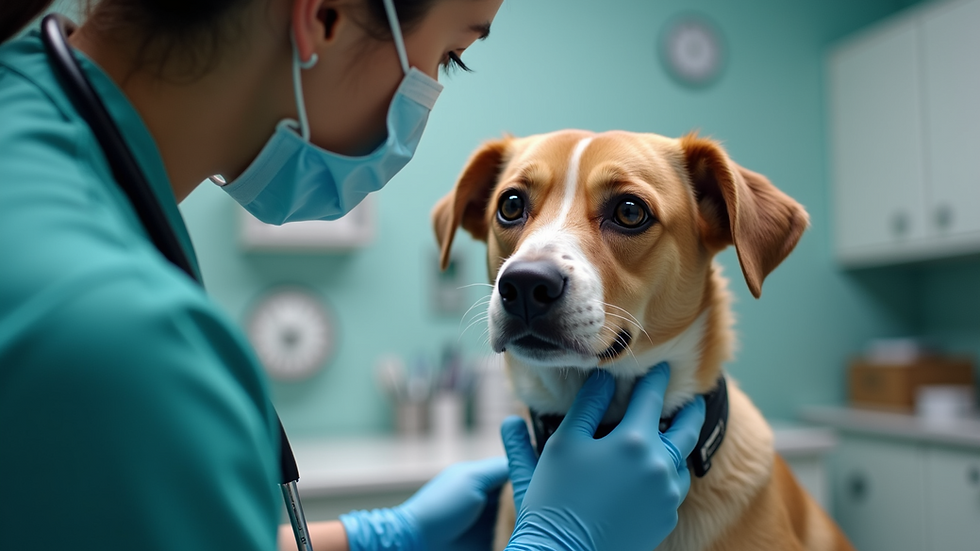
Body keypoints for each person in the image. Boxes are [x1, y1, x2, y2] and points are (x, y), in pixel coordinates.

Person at [0, 1, 707, 550]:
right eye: (452, 54)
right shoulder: (117, 341)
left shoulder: (30, 137)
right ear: (324, 18)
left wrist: (370, 538)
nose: (434, 87)